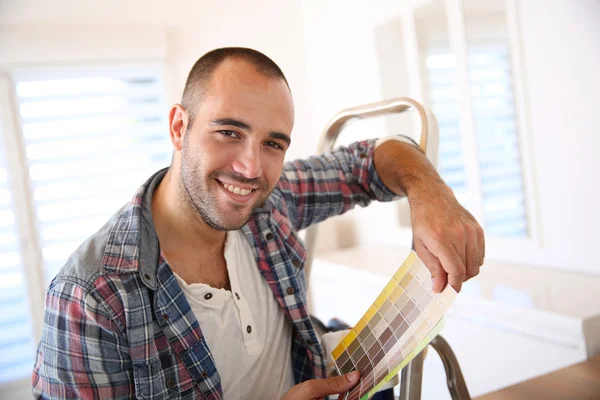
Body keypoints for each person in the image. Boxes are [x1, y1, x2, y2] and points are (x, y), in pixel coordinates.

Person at [32, 47, 484, 400]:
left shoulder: (268, 205)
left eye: (273, 143)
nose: (251, 168)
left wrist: (432, 196)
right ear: (178, 127)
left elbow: (368, 161)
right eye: (229, 132)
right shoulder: (91, 299)